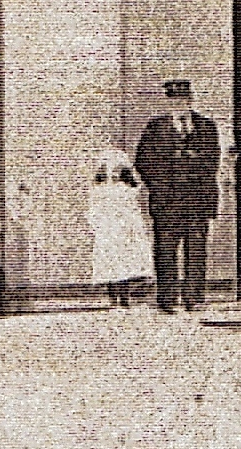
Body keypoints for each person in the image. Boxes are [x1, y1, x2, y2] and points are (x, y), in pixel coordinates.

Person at [135, 78, 222, 312]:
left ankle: (194, 299)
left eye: (183, 100)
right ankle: (167, 299)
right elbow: (143, 162)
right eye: (174, 100)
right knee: (165, 252)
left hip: (197, 200)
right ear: (168, 102)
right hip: (167, 202)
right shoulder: (155, 128)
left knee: (196, 252)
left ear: (190, 100)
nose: (179, 104)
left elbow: (213, 160)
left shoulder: (206, 126)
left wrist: (193, 161)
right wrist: (161, 184)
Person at [86, 148, 156, 307]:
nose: (113, 174)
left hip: (125, 230)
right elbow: (93, 209)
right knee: (110, 263)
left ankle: (124, 298)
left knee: (125, 264)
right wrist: (97, 225)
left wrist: (135, 228)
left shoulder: (128, 190)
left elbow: (133, 208)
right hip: (108, 229)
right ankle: (113, 296)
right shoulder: (99, 190)